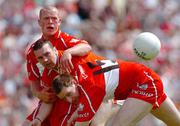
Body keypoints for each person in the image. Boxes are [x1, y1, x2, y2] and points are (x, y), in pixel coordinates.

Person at [24, 5, 104, 126]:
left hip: (72, 95)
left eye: (54, 18)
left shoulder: (65, 41)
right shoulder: (33, 52)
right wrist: (40, 94)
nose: (50, 21)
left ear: (59, 22)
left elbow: (87, 47)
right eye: (46, 18)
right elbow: (34, 85)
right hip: (51, 100)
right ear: (39, 22)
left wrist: (69, 52)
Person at [52, 60, 180, 126]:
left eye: (69, 94)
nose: (69, 100)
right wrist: (77, 112)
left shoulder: (89, 89)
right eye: (65, 98)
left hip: (144, 83)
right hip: (144, 80)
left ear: (73, 83)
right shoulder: (80, 75)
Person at [30, 39, 122, 126]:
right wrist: (39, 119)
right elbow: (49, 100)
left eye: (47, 54)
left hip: (109, 92)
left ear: (54, 50)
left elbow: (87, 47)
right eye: (40, 58)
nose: (45, 60)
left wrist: (68, 52)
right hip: (93, 98)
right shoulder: (48, 74)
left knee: (96, 124)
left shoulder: (69, 57)